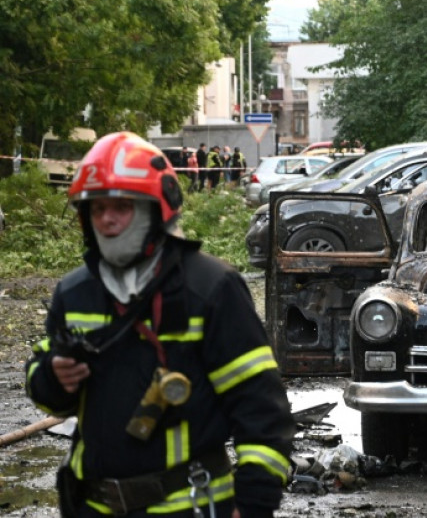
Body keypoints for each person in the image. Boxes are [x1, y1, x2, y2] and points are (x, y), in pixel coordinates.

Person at [25, 132, 295, 517]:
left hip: (190, 506)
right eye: (96, 207)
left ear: (157, 208)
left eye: (122, 206)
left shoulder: (210, 289)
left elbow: (263, 412)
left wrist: (253, 505)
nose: (107, 219)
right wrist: (53, 377)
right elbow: (46, 391)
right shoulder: (75, 292)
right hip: (92, 506)